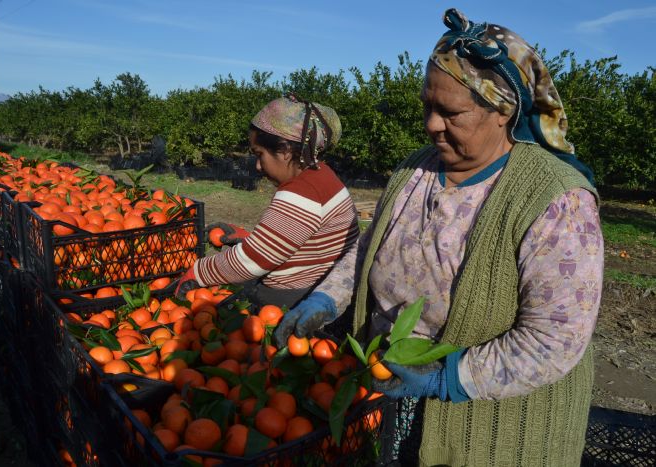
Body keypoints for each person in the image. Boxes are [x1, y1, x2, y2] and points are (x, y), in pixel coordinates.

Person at [274, 9, 603, 466]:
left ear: (503, 110)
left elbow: (555, 338)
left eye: (450, 112)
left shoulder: (554, 199)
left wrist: (448, 378)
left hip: (491, 426)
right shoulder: (417, 168)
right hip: (399, 395)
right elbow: (368, 248)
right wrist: (327, 299)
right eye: (428, 106)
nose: (431, 124)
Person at [175, 95, 359, 309]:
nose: (258, 167)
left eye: (259, 154)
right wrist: (249, 239)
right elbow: (294, 239)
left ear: (285, 151)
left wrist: (199, 272)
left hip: (292, 301)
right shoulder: (322, 175)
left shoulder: (303, 191)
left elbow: (253, 261)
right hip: (314, 287)